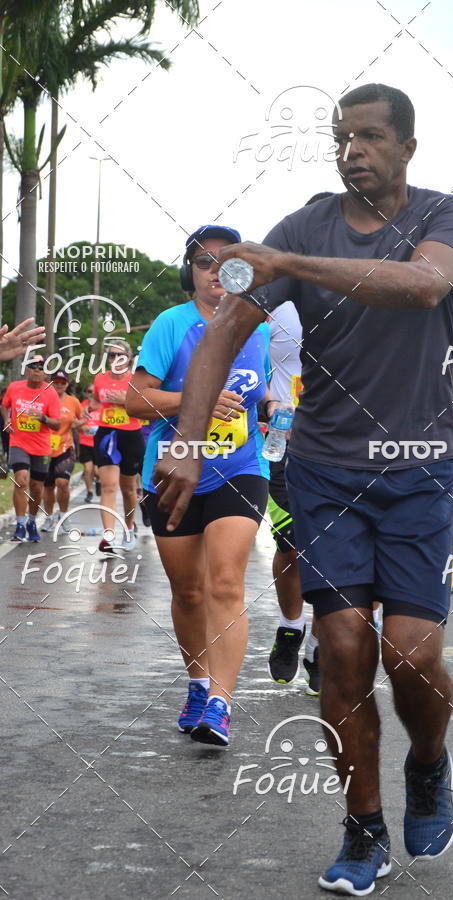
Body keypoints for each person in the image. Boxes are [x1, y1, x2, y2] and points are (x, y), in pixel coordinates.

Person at [153, 83, 453, 895]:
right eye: (341, 138)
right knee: (342, 651)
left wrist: (288, 265)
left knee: (413, 654)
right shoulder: (301, 226)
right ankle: (363, 830)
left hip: (419, 469)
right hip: (327, 471)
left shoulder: (445, 215)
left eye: (369, 137)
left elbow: (421, 285)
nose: (352, 150)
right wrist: (186, 442)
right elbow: (224, 328)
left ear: (407, 147)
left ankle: (429, 762)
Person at [126, 225, 271, 748]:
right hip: (172, 471)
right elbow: (136, 400)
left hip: (241, 468)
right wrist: (199, 399)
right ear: (190, 271)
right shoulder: (172, 324)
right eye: (205, 262)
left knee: (226, 582)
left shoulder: (261, 328)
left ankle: (220, 704)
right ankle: (198, 683)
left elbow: (264, 393)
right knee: (188, 592)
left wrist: (278, 411)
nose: (216, 272)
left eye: (228, 263)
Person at [265, 191, 334, 694]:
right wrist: (268, 403)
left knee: (343, 555)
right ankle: (291, 628)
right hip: (285, 441)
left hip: (346, 445)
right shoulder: (276, 301)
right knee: (291, 548)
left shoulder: (368, 298)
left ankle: (321, 646)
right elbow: (246, 362)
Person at [1, 355, 61, 542]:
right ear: (26, 369)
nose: (36, 370)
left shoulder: (50, 393)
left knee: (36, 487)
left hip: (41, 447)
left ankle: (31, 521)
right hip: (18, 442)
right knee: (20, 480)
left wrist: (43, 418)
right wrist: (7, 419)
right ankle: (20, 525)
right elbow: (4, 405)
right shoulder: (14, 387)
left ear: (45, 374)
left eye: (41, 367)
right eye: (33, 366)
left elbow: (57, 424)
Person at [93, 338, 145, 553]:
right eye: (112, 355)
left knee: (128, 489)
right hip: (107, 435)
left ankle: (129, 527)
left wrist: (126, 400)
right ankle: (109, 536)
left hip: (131, 436)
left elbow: (145, 407)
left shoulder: (136, 380)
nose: (116, 359)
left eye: (120, 355)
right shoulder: (100, 378)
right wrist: (90, 410)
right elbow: (96, 400)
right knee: (108, 486)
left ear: (129, 358)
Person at [40, 372, 86, 532]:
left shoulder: (73, 401)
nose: (59, 385)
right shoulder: (43, 398)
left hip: (65, 449)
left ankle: (64, 516)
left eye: (62, 382)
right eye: (56, 382)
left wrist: (79, 424)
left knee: (62, 482)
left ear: (67, 384)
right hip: (44, 449)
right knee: (48, 486)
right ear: (50, 383)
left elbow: (82, 419)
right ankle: (48, 518)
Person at [79, 386, 102, 503]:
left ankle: (98, 481)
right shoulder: (82, 405)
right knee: (88, 469)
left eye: (94, 391)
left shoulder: (103, 406)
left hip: (99, 443)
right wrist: (82, 427)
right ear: (86, 393)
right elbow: (76, 422)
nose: (91, 394)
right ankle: (89, 492)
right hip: (85, 441)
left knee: (97, 471)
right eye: (89, 391)